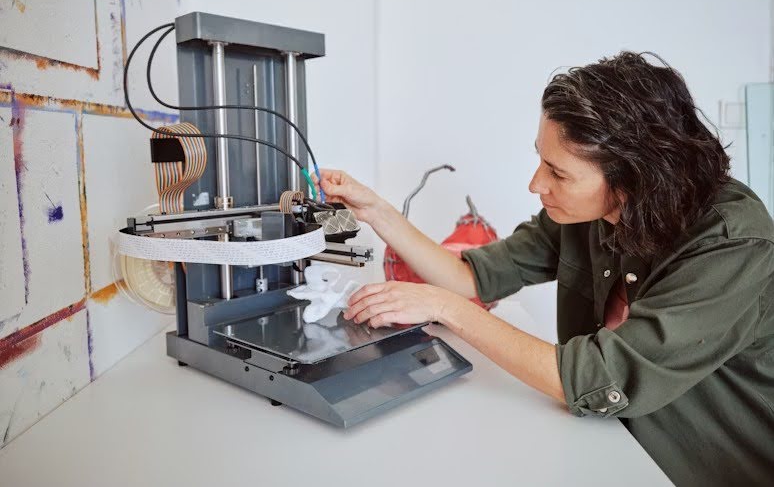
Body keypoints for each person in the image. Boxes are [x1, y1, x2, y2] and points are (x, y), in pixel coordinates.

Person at [315, 52, 774, 486]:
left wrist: (446, 307)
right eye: (540, 159)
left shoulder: (732, 244)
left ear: (633, 179)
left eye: (558, 172)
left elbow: (596, 378)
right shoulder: (585, 215)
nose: (536, 183)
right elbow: (473, 276)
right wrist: (376, 211)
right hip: (611, 448)